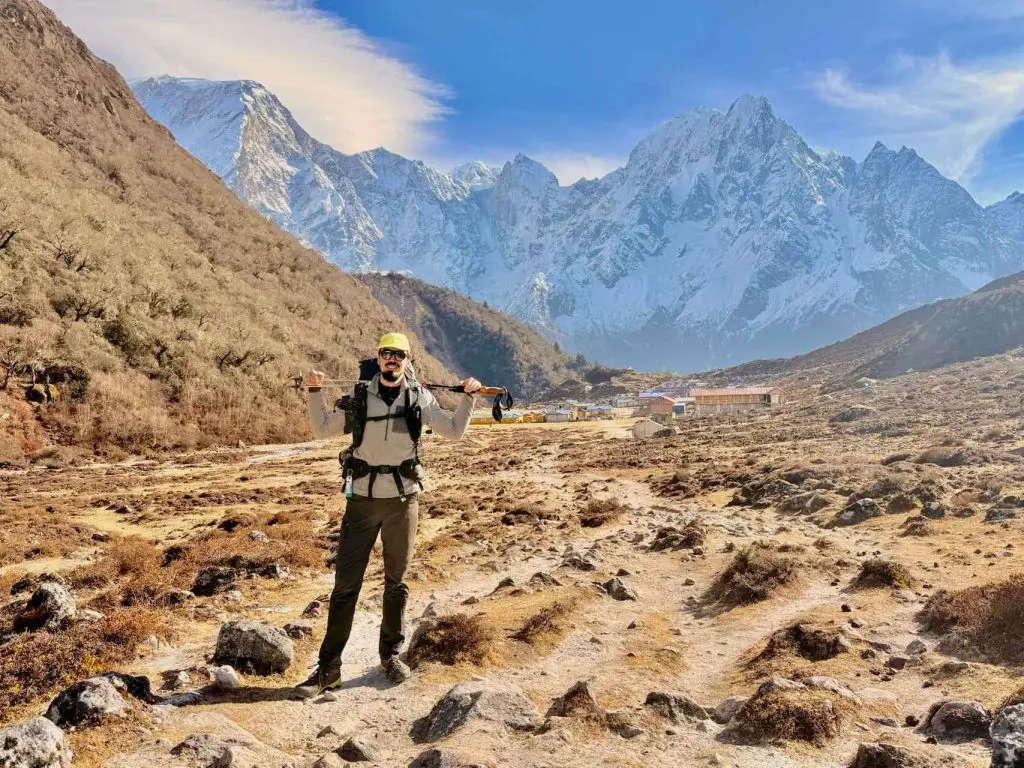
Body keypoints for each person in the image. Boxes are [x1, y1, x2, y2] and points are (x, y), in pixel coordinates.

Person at [295, 332, 480, 696]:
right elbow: (321, 430)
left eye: (398, 354)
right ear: (378, 359)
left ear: (408, 361)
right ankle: (328, 670)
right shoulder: (360, 397)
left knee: (397, 583)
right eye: (385, 354)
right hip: (361, 503)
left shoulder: (419, 398)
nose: (391, 359)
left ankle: (390, 656)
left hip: (403, 502)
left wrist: (469, 397)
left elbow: (455, 431)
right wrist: (314, 392)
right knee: (345, 587)